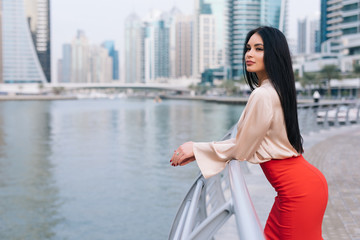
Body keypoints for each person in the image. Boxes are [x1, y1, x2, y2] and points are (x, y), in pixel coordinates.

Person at [170, 26, 328, 240]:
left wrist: (196, 148)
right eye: (248, 48)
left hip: (297, 192)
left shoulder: (263, 94)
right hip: (298, 187)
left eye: (259, 48)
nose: (249, 54)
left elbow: (241, 147)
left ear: (274, 53)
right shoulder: (276, 89)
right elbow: (247, 141)